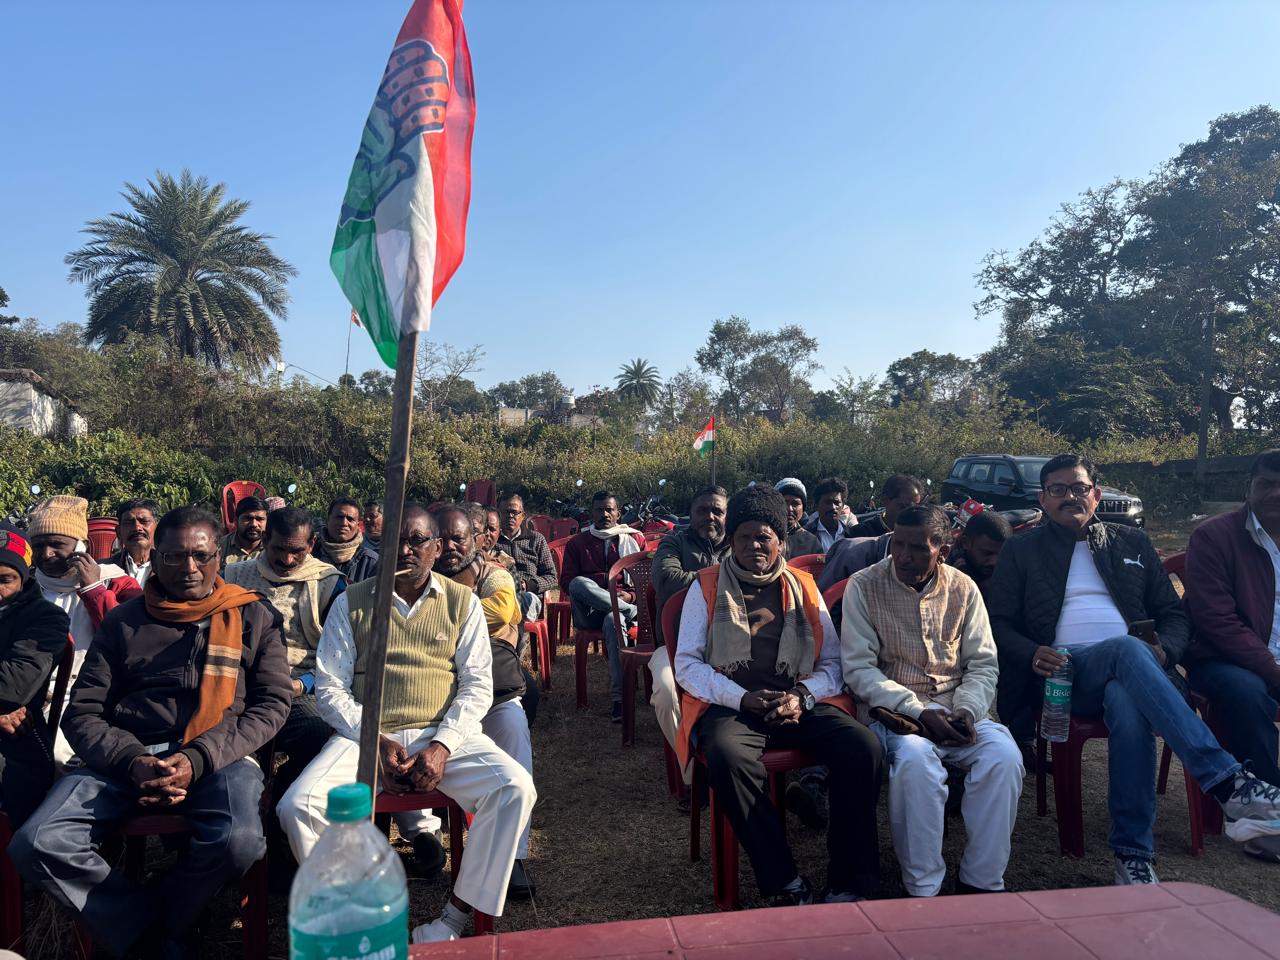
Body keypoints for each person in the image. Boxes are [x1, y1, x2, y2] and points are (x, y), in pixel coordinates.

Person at [10, 506, 291, 959]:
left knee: (238, 842)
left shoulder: (253, 616)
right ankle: (151, 926)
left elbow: (272, 704)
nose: (189, 568)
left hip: (218, 755)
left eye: (201, 556)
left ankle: (162, 921)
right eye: (174, 556)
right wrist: (131, 760)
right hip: (125, 757)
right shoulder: (124, 621)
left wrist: (198, 757)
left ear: (219, 557)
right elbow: (83, 711)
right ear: (155, 558)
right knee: (37, 842)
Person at [987, 453, 1280, 884]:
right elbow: (997, 622)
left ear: (1096, 494)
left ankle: (1133, 857)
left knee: (1126, 700)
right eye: (1058, 489)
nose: (1070, 497)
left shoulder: (1132, 542)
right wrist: (1031, 652)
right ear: (1043, 499)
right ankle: (1228, 783)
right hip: (1063, 676)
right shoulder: (1021, 549)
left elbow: (1174, 615)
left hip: (1138, 672)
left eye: (1079, 488)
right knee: (1125, 648)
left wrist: (1164, 652)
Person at [277, 504, 535, 944]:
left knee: (515, 787)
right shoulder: (352, 602)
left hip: (442, 733)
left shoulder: (463, 603)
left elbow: (477, 686)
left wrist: (443, 746)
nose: (406, 551)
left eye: (417, 541)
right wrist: (375, 740)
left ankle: (451, 922)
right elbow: (331, 688)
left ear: (437, 547)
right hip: (365, 737)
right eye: (397, 540)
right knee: (298, 806)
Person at [674, 485, 883, 905]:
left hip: (797, 702)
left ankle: (848, 880)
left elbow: (832, 663)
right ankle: (784, 880)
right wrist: (741, 698)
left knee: (864, 747)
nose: (753, 545)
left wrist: (802, 697)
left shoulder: (804, 585)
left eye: (764, 537)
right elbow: (688, 664)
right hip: (733, 706)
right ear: (731, 541)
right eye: (744, 537)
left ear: (781, 542)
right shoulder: (706, 585)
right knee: (727, 757)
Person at [842, 505, 1022, 896]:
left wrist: (967, 711)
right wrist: (919, 712)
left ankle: (981, 881)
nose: (904, 557)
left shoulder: (964, 588)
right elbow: (859, 670)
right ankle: (923, 886)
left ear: (943, 548)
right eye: (898, 544)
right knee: (915, 762)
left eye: (918, 548)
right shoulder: (864, 585)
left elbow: (983, 664)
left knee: (1004, 758)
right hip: (895, 713)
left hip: (960, 709)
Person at [432, 504, 537, 899]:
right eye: (442, 539)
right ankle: (424, 834)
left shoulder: (495, 575)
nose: (450, 547)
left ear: (476, 540)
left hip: (491, 692)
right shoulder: (411, 579)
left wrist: (436, 621)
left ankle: (514, 855)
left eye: (459, 538)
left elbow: (502, 611)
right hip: (432, 699)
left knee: (513, 725)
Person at [1183, 449, 1280, 861]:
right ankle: (1269, 816)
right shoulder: (1214, 536)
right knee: (1246, 691)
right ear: (1248, 488)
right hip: (1223, 659)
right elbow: (1216, 621)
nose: (1275, 494)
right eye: (1266, 485)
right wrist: (1274, 669)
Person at [223, 507, 344, 803]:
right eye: (278, 549)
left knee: (317, 732)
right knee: (222, 738)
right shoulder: (233, 576)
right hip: (241, 687)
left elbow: (340, 653)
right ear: (265, 540)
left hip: (299, 688)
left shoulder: (329, 583)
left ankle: (282, 801)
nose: (287, 560)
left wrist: (304, 684)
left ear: (312, 544)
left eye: (297, 552)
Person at [29, 495, 142, 764]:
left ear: (82, 546)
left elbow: (131, 642)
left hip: (94, 700)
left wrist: (93, 590)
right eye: (39, 546)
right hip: (33, 696)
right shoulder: (26, 587)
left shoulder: (117, 582)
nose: (46, 554)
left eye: (57, 544)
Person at [651, 486, 730, 786]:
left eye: (717, 511)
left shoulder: (738, 544)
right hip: (673, 645)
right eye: (702, 510)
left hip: (730, 647)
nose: (710, 516)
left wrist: (698, 581)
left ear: (727, 515)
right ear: (690, 514)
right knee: (665, 692)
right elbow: (666, 579)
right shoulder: (674, 542)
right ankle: (694, 776)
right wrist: (723, 582)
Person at [0, 524, 70, 827]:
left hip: (16, 742)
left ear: (24, 576)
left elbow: (12, 687)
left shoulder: (46, 618)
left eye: (5, 580)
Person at [559, 490, 645, 723]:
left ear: (618, 513)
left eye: (609, 510)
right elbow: (567, 582)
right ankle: (626, 610)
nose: (605, 514)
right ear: (592, 513)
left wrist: (630, 596)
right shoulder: (578, 542)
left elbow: (645, 581)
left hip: (619, 609)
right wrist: (604, 588)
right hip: (588, 612)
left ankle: (620, 699)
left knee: (612, 620)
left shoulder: (634, 540)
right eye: (599, 510)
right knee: (579, 583)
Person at [494, 494, 558, 622]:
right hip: (499, 594)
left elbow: (552, 578)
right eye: (505, 512)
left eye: (514, 512)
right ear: (498, 514)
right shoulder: (492, 540)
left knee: (508, 604)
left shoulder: (536, 539)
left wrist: (527, 585)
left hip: (529, 597)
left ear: (523, 516)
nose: (510, 516)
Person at [313, 497, 379, 583]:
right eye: (339, 517)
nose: (344, 523)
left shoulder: (371, 562)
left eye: (350, 519)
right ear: (328, 519)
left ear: (357, 524)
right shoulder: (310, 552)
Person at [950, 509, 1013, 599]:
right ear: (965, 543)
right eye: (988, 553)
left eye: (1001, 555)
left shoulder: (1014, 572)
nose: (994, 562)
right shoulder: (942, 572)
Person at [849, 475, 925, 539]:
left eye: (915, 508)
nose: (910, 513)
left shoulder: (920, 536)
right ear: (885, 500)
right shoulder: (861, 534)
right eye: (903, 506)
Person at [110, 498, 160, 589]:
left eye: (144, 521)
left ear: (158, 529)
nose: (137, 528)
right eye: (128, 523)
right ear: (119, 532)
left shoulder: (170, 568)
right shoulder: (104, 570)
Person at [803, 478, 857, 552]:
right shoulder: (805, 536)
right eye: (827, 502)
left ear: (843, 505)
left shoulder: (852, 535)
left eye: (836, 503)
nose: (833, 507)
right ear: (816, 506)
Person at [774, 478, 822, 559]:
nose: (790, 509)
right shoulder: (764, 536)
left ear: (803, 508)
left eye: (795, 503)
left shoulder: (811, 542)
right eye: (785, 502)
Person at [220, 496, 269, 569]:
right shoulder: (220, 546)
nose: (254, 524)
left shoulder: (273, 547)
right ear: (236, 521)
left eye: (259, 519)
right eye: (247, 518)